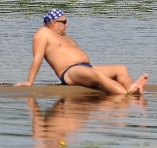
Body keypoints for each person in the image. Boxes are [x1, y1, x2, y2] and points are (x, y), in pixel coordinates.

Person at [15, 9, 148, 95]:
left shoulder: (64, 36)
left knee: (120, 68)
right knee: (98, 74)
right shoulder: (43, 33)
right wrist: (29, 81)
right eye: (64, 22)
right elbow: (37, 58)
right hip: (70, 72)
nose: (67, 25)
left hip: (85, 68)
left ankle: (131, 88)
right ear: (54, 23)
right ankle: (126, 96)